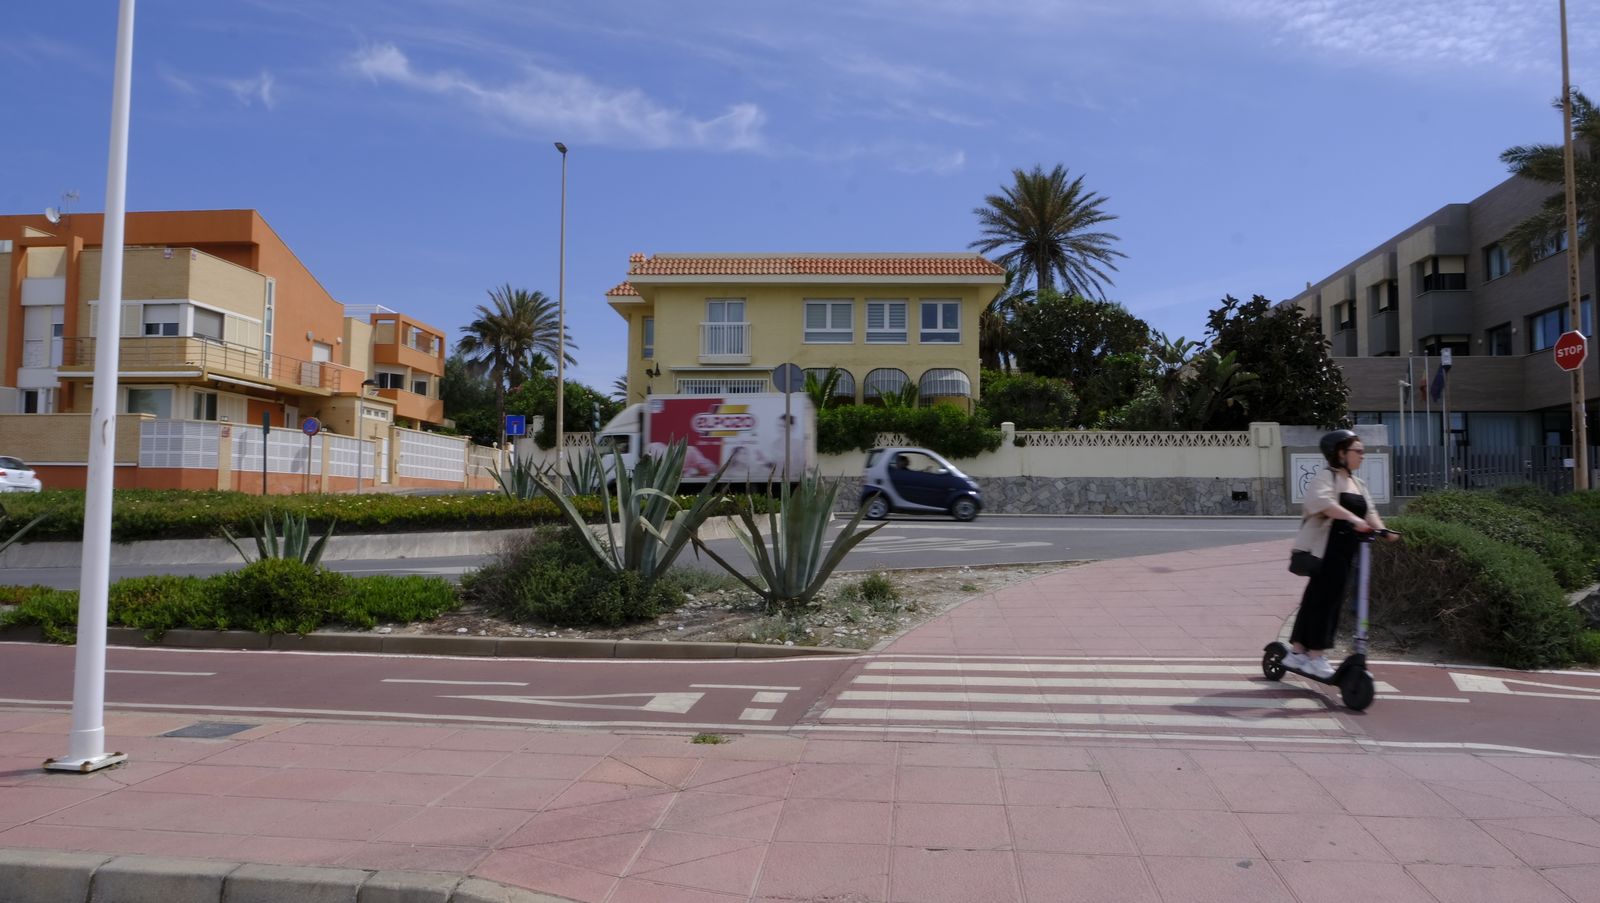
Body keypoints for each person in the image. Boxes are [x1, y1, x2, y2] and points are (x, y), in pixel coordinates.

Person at [1285, 430, 1396, 678]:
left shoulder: (1358, 484)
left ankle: (1298, 651)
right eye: (1358, 451)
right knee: (1325, 601)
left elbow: (1370, 512)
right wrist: (1352, 518)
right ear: (1340, 453)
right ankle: (1315, 655)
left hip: (1348, 552)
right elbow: (1322, 503)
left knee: (1318, 599)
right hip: (1326, 550)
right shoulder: (1327, 477)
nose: (1362, 456)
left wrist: (1385, 530)